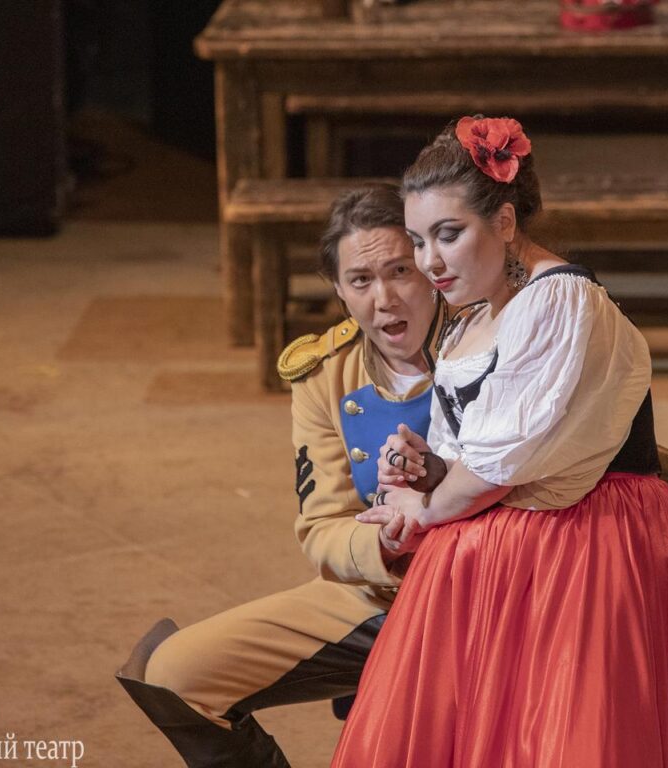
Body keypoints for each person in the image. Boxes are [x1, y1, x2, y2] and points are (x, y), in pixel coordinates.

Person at [332, 117, 668, 767]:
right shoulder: (472, 317)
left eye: (449, 234)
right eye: (419, 241)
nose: (430, 262)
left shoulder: (559, 301)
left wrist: (424, 508)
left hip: (588, 538)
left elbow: (492, 474)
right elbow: (470, 458)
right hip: (504, 531)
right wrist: (421, 474)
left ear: (505, 221)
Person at [114, 183, 446, 767]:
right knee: (173, 675)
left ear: (430, 264)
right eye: (361, 280)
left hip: (483, 594)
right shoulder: (324, 376)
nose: (385, 299)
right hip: (379, 592)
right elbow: (322, 528)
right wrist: (383, 543)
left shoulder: (489, 342)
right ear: (339, 290)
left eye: (400, 270)